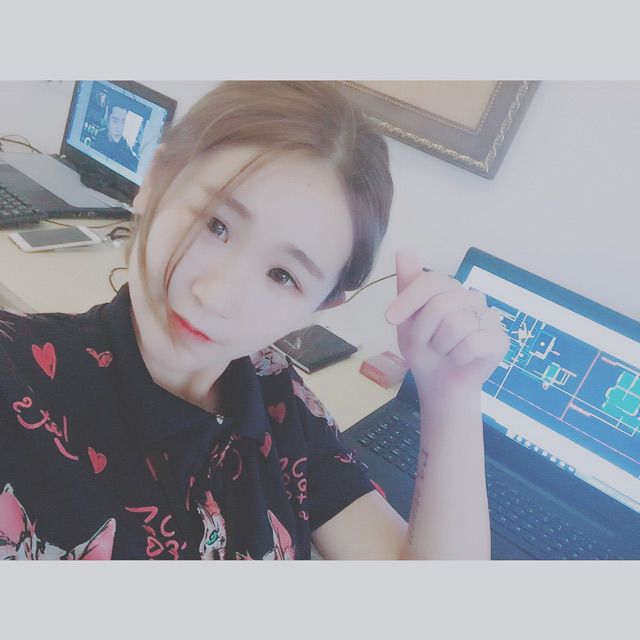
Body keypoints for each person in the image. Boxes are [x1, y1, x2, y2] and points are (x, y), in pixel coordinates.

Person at [0, 81, 508, 560]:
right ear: (154, 182)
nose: (217, 296)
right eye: (216, 225)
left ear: (321, 306)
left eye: (283, 276)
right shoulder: (18, 383)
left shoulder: (284, 407)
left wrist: (451, 395)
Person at [92, 100, 138, 171]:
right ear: (107, 120)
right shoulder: (97, 135)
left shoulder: (125, 147)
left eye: (123, 122)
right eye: (115, 121)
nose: (119, 129)